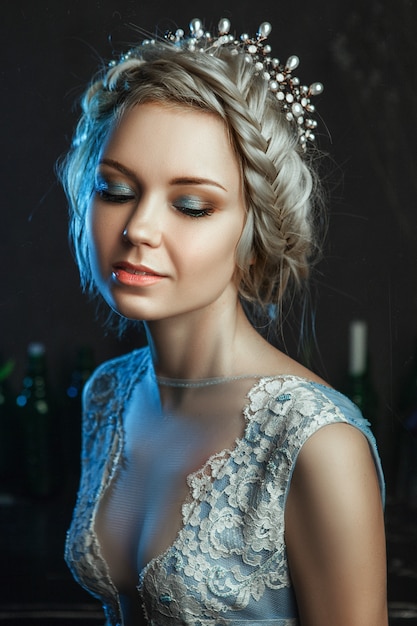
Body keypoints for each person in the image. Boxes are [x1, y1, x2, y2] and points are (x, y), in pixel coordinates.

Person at [59, 17, 388, 626]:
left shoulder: (317, 443)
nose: (139, 229)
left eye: (191, 205)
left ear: (254, 232)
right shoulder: (108, 394)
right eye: (114, 190)